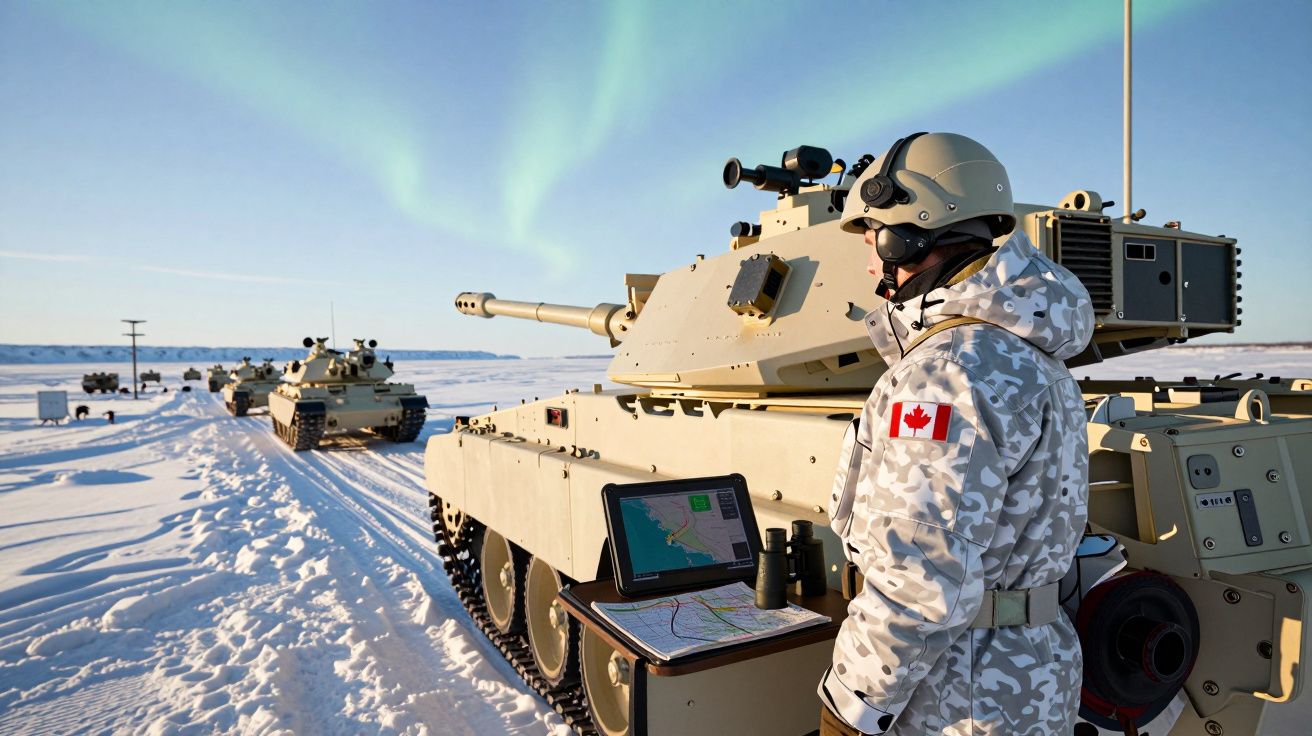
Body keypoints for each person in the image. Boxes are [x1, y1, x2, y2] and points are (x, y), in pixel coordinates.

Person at [818, 132, 1095, 735]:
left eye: (871, 239)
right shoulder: (1024, 353)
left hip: (956, 692)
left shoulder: (945, 372)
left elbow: (918, 578)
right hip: (1027, 675)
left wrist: (853, 707)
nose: (869, 263)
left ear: (905, 236)